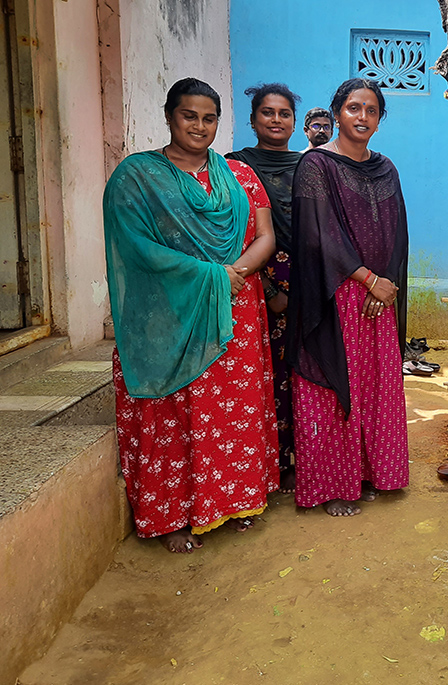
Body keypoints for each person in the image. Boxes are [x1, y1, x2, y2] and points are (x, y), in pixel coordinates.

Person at [105, 77, 278, 553]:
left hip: (235, 307)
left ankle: (236, 499)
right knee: (175, 413)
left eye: (209, 118)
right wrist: (210, 275)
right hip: (169, 315)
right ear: (169, 116)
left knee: (232, 412)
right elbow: (134, 246)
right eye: (189, 116)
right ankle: (172, 515)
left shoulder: (239, 175)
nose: (199, 127)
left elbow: (265, 235)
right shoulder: (138, 176)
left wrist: (232, 273)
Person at [287, 78, 409, 517]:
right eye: (354, 107)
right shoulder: (317, 165)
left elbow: (397, 234)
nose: (362, 116)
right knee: (335, 388)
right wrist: (365, 279)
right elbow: (318, 235)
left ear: (379, 119)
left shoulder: (387, 168)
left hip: (378, 297)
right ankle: (334, 485)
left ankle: (370, 472)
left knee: (374, 385)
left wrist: (386, 283)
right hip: (333, 296)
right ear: (337, 112)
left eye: (371, 110)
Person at [228, 83, 302, 493]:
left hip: (307, 280)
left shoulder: (310, 166)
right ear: (253, 118)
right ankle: (264, 462)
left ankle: (296, 460)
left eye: (284, 113)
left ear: (294, 120)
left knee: (300, 371)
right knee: (263, 371)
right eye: (268, 113)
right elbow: (231, 232)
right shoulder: (233, 166)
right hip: (252, 278)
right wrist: (270, 286)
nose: (276, 120)